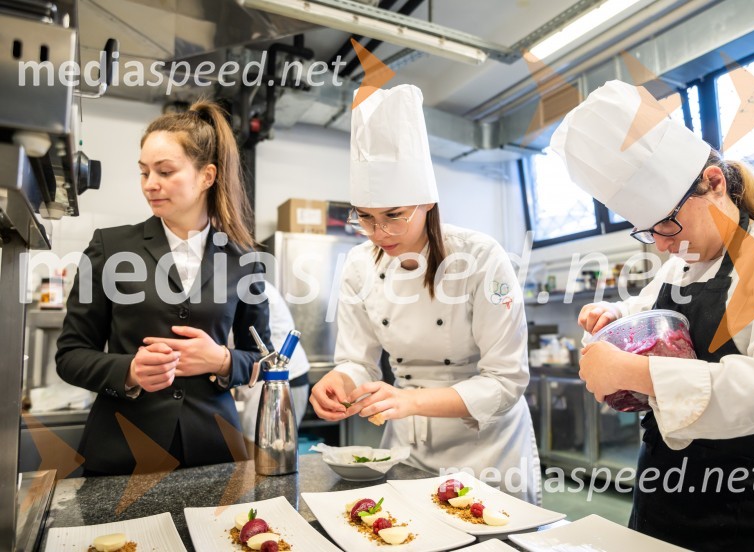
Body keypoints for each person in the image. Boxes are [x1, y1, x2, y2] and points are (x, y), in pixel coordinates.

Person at [549, 80, 754, 550]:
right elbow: (642, 315)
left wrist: (636, 370)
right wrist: (610, 317)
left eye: (666, 224)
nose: (660, 244)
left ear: (715, 183)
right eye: (647, 232)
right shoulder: (682, 267)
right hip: (667, 498)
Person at [309, 85, 542, 504]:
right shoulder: (360, 265)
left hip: (487, 449)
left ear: (427, 203)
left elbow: (506, 381)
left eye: (393, 216)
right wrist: (339, 379)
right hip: (407, 447)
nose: (379, 233)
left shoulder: (482, 257)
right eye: (365, 218)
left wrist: (410, 401)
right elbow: (358, 362)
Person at [56, 100, 271, 475]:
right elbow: (71, 355)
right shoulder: (109, 247)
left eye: (165, 171)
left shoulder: (245, 261)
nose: (150, 185)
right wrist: (130, 371)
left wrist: (222, 361)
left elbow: (263, 358)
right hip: (123, 450)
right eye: (144, 172)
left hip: (214, 450)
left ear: (207, 176)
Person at [235, 280, 310, 442]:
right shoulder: (239, 281)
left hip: (280, 379)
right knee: (271, 445)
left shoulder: (249, 285)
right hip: (274, 377)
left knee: (265, 444)